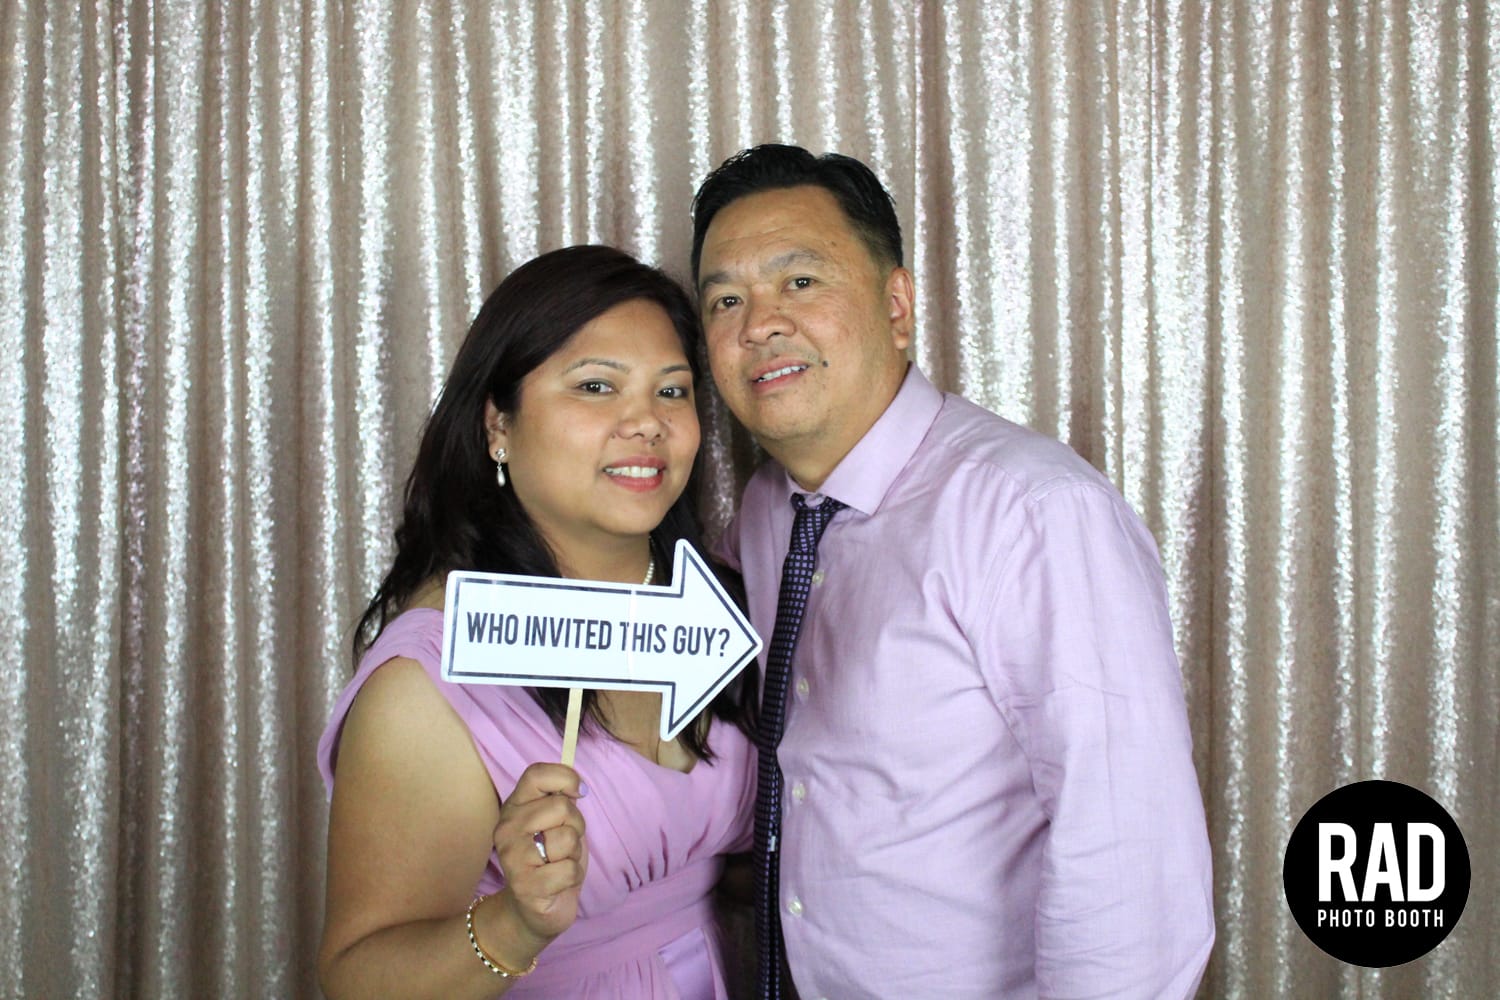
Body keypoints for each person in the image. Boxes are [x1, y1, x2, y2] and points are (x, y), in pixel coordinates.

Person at [691, 144, 1215, 999]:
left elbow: (1132, 865)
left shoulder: (1033, 513)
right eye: (726, 300)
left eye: (801, 281)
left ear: (896, 305)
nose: (759, 325)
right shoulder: (762, 513)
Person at [317, 245, 758, 999]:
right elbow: (356, 979)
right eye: (595, 387)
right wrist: (514, 925)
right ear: (498, 424)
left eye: (672, 391)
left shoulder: (718, 603)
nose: (645, 423)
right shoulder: (429, 679)